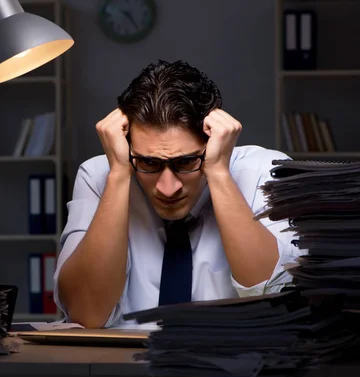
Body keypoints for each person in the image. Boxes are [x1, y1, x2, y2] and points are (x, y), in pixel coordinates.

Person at [53, 59, 301, 329]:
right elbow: (86, 313)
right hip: (123, 369)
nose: (167, 188)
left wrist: (218, 172)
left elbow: (274, 296)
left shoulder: (265, 170)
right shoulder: (101, 174)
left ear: (214, 141)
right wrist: (119, 174)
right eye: (149, 163)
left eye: (185, 162)